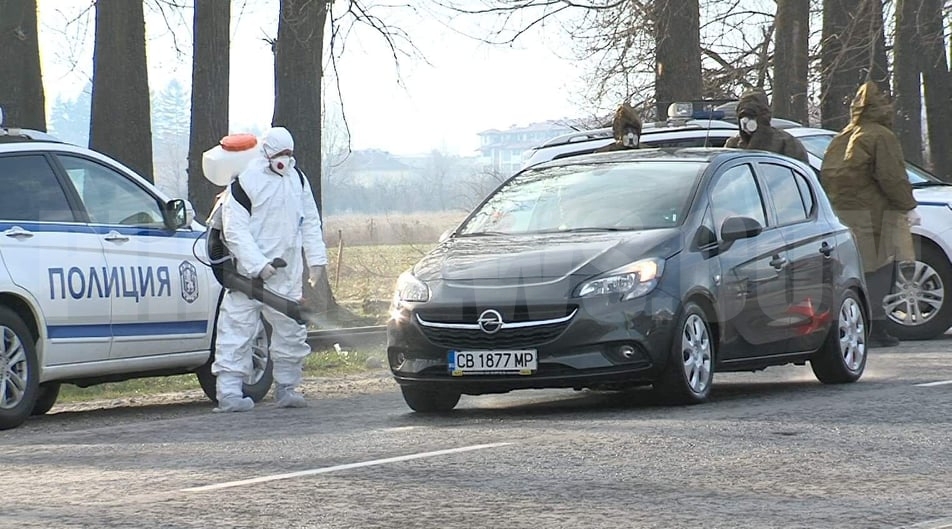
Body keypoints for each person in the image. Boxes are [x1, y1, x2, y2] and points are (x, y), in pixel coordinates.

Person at [211, 126, 328, 412]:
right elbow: (235, 230)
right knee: (236, 331)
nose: (284, 160)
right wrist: (258, 265)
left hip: (286, 275)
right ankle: (228, 394)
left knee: (290, 331)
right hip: (248, 277)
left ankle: (287, 388)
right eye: (279, 154)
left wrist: (317, 261)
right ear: (265, 153)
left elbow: (310, 222)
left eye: (289, 154)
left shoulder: (298, 180)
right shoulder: (245, 182)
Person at [819, 81, 919, 348]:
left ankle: (853, 325)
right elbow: (892, 177)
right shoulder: (881, 136)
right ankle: (876, 327)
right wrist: (908, 204)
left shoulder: (842, 136)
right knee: (880, 270)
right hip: (876, 214)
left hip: (843, 215)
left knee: (853, 272)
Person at [724, 89, 809, 163]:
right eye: (742, 117)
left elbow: (799, 174)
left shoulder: (786, 143)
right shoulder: (733, 145)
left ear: (763, 116)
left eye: (751, 116)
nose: (745, 122)